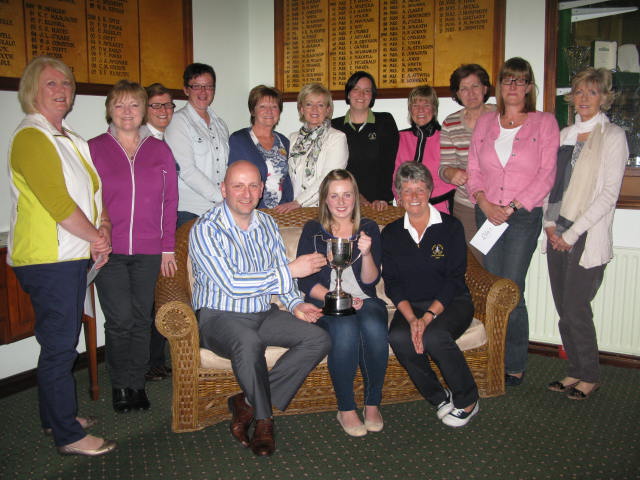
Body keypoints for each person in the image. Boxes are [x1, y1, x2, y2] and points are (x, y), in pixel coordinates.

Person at [7, 56, 116, 456]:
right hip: (47, 260)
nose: (62, 90)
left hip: (71, 255)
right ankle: (69, 435)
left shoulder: (70, 138)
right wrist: (96, 238)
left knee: (58, 341)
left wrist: (102, 227)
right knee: (60, 346)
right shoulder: (31, 137)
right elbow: (57, 203)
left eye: (67, 84)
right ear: (32, 89)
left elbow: (92, 194)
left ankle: (55, 418)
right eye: (51, 83)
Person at [189, 161, 331, 456]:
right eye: (238, 185)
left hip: (262, 312)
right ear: (223, 189)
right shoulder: (206, 228)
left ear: (262, 189)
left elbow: (281, 278)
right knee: (248, 341)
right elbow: (230, 284)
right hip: (219, 315)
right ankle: (264, 421)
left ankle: (248, 402)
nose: (246, 193)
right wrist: (291, 270)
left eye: (253, 185)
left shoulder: (267, 223)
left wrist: (296, 304)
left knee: (318, 338)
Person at [467, 57, 559, 386]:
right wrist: (483, 201)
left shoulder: (545, 122)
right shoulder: (486, 123)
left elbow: (547, 174)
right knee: (492, 288)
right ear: (501, 87)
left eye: (520, 81)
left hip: (522, 217)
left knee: (512, 288)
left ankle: (515, 360)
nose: (513, 87)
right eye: (508, 81)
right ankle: (493, 356)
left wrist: (514, 206)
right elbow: (474, 169)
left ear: (530, 87)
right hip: (488, 213)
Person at [89, 80, 178, 413]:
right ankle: (120, 385)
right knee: (119, 320)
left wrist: (167, 247)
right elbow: (86, 200)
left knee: (141, 319)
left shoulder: (159, 149)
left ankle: (137, 384)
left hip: (148, 250)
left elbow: (171, 202)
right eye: (120, 105)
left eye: (134, 105)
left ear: (144, 111)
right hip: (108, 250)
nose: (127, 112)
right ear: (110, 110)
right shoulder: (94, 148)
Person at [543, 68, 628, 400]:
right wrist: (550, 226)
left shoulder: (613, 136)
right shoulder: (564, 135)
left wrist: (572, 233)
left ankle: (590, 374)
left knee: (577, 306)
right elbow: (551, 186)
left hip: (586, 235)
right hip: (556, 231)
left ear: (604, 97)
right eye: (579, 92)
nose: (584, 99)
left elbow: (608, 195)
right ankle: (575, 370)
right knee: (564, 307)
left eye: (592, 93)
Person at [382, 162, 478, 427]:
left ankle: (468, 398)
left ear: (430, 191)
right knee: (398, 336)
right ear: (398, 196)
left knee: (434, 335)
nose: (414, 197)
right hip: (411, 304)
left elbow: (454, 278)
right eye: (407, 190)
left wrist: (427, 318)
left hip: (451, 302)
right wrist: (412, 319)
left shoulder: (451, 227)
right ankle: (438, 396)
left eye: (420, 189)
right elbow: (392, 283)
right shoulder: (390, 234)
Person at [296, 169, 388, 437]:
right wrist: (337, 298)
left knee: (373, 327)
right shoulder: (313, 230)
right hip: (329, 300)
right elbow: (305, 282)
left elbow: (371, 281)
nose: (340, 201)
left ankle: (372, 403)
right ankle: (346, 408)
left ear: (355, 197)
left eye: (347, 194)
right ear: (325, 199)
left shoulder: (368, 228)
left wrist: (367, 253)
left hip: (366, 299)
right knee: (345, 330)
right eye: (333, 195)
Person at [439, 64, 496, 262]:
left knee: (500, 267)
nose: (470, 93)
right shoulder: (451, 123)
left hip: (501, 204)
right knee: (474, 265)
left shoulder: (502, 116)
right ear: (457, 93)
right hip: (467, 205)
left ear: (485, 88)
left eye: (475, 86)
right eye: (464, 88)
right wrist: (451, 173)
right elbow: (443, 167)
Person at [165, 63, 229, 227]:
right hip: (190, 212)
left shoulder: (220, 124)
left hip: (219, 210)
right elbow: (186, 170)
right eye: (197, 86)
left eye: (208, 86)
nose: (203, 92)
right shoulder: (178, 121)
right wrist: (222, 197)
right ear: (186, 90)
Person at [144, 82, 176, 381]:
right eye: (157, 105)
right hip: (147, 235)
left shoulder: (166, 141)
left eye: (168, 105)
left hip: (163, 231)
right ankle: (148, 362)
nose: (164, 110)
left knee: (160, 295)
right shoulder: (142, 142)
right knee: (150, 298)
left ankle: (154, 359)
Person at [331, 71, 399, 211]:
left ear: (372, 95)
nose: (361, 95)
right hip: (343, 202)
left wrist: (382, 198)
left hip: (378, 204)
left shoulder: (385, 121)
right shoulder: (334, 126)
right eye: (356, 89)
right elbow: (333, 170)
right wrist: (356, 196)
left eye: (367, 90)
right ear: (348, 94)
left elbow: (388, 164)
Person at [228, 85, 296, 211]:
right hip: (251, 212)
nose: (269, 111)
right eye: (262, 106)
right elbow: (234, 182)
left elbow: (287, 180)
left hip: (281, 213)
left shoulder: (285, 142)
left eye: (274, 107)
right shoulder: (239, 139)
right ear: (253, 111)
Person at [393, 85, 455, 213]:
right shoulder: (399, 137)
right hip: (407, 207)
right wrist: (399, 196)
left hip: (440, 207)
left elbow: (454, 175)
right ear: (410, 110)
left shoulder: (446, 137)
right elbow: (393, 173)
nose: (420, 110)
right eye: (415, 105)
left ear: (434, 108)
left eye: (426, 105)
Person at [288, 83, 348, 209]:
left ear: (328, 110)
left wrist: (298, 202)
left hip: (323, 210)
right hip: (293, 209)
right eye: (309, 104)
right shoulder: (293, 138)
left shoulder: (337, 138)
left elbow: (328, 179)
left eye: (320, 105)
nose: (314, 109)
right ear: (301, 109)